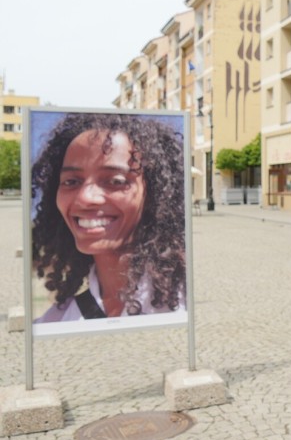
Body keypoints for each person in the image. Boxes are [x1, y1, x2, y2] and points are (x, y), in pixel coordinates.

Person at [32, 113, 186, 322]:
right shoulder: (55, 322)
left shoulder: (186, 303)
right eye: (71, 181)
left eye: (115, 181)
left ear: (156, 194)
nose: (85, 198)